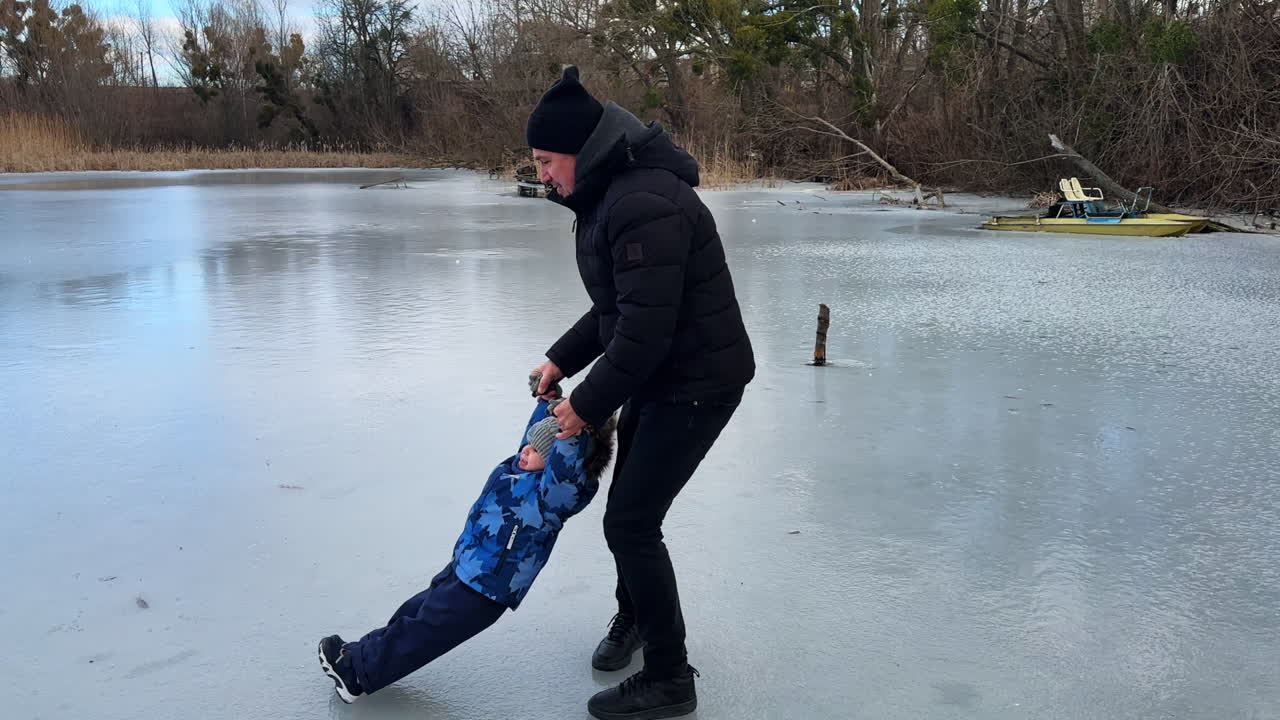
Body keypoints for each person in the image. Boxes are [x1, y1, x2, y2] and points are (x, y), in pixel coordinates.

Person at [525, 66, 755, 720]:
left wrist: (583, 406)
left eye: (546, 160)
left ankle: (669, 678)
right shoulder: (610, 195)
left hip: (698, 383)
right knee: (632, 516)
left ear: (581, 149)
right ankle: (635, 616)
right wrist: (560, 359)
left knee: (630, 522)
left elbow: (642, 335)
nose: (542, 173)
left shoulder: (640, 203)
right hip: (664, 375)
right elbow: (616, 310)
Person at [317, 388, 616, 703]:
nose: (526, 450)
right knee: (414, 614)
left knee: (425, 631)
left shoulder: (555, 496)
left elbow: (567, 467)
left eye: (537, 449)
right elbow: (538, 437)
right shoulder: (521, 467)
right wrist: (549, 403)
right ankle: (360, 655)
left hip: (489, 585)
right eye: (528, 442)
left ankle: (358, 674)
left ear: (559, 458)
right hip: (467, 564)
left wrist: (573, 433)